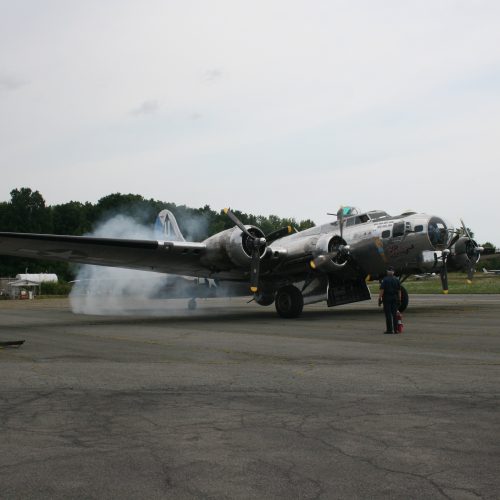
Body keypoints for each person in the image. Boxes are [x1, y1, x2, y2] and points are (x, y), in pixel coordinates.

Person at [378, 267, 402, 334]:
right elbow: (399, 291)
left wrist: (379, 298)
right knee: (394, 314)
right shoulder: (397, 280)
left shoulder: (385, 280)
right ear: (393, 272)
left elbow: (382, 290)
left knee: (388, 314)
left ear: (387, 272)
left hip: (387, 299)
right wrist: (400, 299)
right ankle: (396, 330)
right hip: (395, 298)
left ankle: (389, 330)